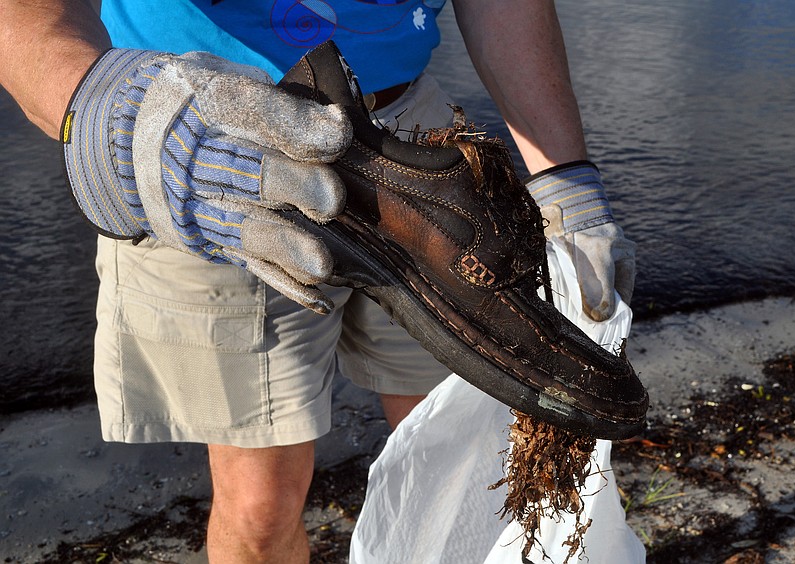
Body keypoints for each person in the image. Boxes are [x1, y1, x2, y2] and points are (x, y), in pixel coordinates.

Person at [0, 1, 636, 562]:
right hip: (203, 152)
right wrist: (96, 106)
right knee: (259, 508)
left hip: (413, 136)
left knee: (468, 456)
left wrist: (563, 178)